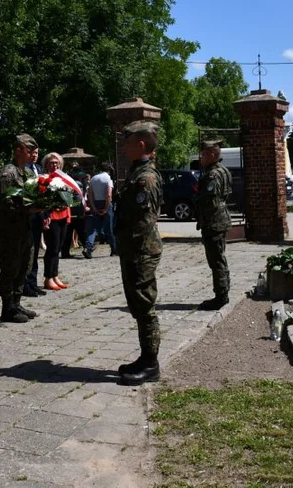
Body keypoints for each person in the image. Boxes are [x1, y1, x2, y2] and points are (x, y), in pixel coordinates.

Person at [115, 120, 163, 385]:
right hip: (134, 249)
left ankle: (151, 363)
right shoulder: (137, 172)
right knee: (138, 305)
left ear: (141, 145)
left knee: (144, 306)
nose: (124, 147)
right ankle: (145, 357)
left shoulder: (145, 178)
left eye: (128, 143)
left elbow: (144, 222)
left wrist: (131, 250)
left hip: (140, 250)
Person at [0, 134, 39, 323]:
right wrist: (29, 208)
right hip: (10, 230)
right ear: (18, 150)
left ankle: (17, 302)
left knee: (24, 266)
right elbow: (6, 202)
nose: (32, 154)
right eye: (28, 150)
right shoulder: (9, 172)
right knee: (10, 268)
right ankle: (7, 308)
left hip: (25, 228)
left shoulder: (28, 173)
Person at [196, 139, 232, 310]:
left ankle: (221, 295)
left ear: (212, 154)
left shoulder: (212, 175)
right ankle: (223, 292)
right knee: (219, 258)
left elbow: (210, 201)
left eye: (203, 154)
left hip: (214, 222)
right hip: (220, 219)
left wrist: (204, 218)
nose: (200, 157)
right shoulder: (223, 171)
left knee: (216, 260)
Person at [40, 152, 71, 291]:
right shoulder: (43, 179)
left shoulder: (64, 179)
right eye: (51, 162)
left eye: (56, 163)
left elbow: (68, 199)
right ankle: (48, 277)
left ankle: (55, 275)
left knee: (58, 248)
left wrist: (69, 215)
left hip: (63, 215)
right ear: (46, 164)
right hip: (52, 217)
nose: (54, 165)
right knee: (52, 248)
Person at [22, 146, 48, 297]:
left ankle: (33, 282)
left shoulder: (38, 169)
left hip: (38, 215)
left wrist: (45, 214)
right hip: (28, 215)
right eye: (31, 153)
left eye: (37, 153)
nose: (34, 155)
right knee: (28, 251)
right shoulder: (23, 170)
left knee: (36, 250)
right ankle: (25, 283)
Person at [85, 161, 117, 259]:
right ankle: (114, 249)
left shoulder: (94, 178)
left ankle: (88, 247)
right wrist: (106, 208)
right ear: (108, 170)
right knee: (109, 228)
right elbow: (108, 194)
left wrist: (93, 207)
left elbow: (90, 193)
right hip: (106, 202)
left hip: (96, 202)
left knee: (93, 228)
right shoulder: (108, 179)